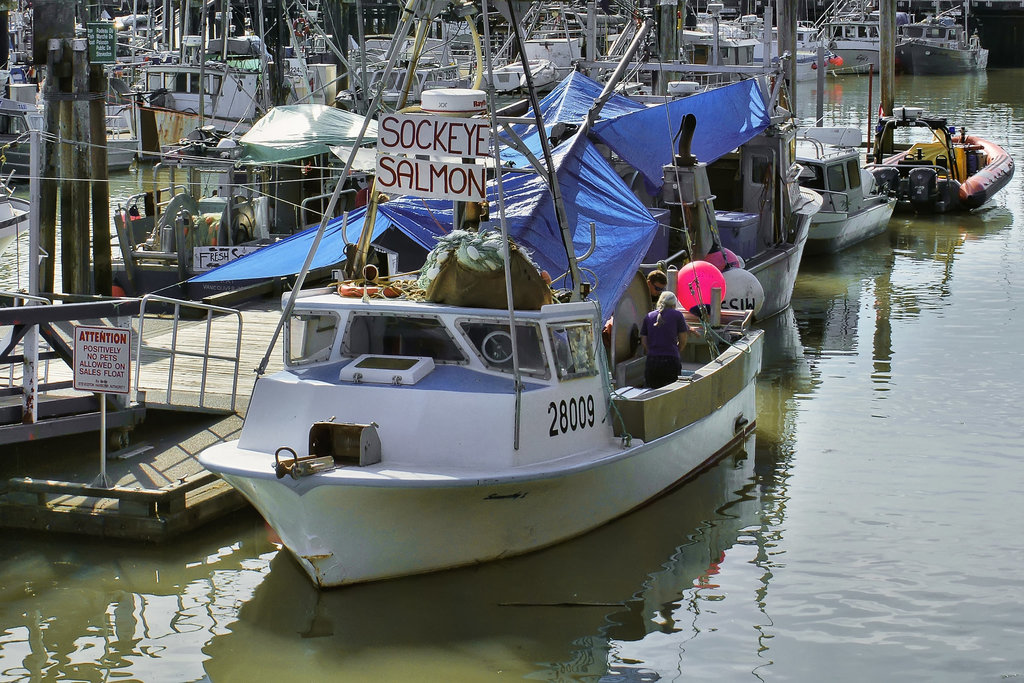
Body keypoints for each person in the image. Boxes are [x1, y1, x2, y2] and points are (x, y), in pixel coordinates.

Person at [640, 291, 689, 389]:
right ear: (674, 304)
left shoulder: (649, 316)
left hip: (652, 361)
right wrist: (675, 351)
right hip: (671, 361)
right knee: (669, 393)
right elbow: (683, 341)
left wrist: (651, 351)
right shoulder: (678, 315)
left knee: (651, 393)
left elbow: (644, 341)